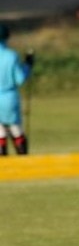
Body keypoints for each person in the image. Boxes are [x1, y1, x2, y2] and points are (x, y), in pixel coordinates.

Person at [0, 24, 33, 156]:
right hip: (9, 98)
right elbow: (20, 79)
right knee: (15, 129)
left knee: (0, 133)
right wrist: (28, 65)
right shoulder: (11, 56)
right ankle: (23, 162)